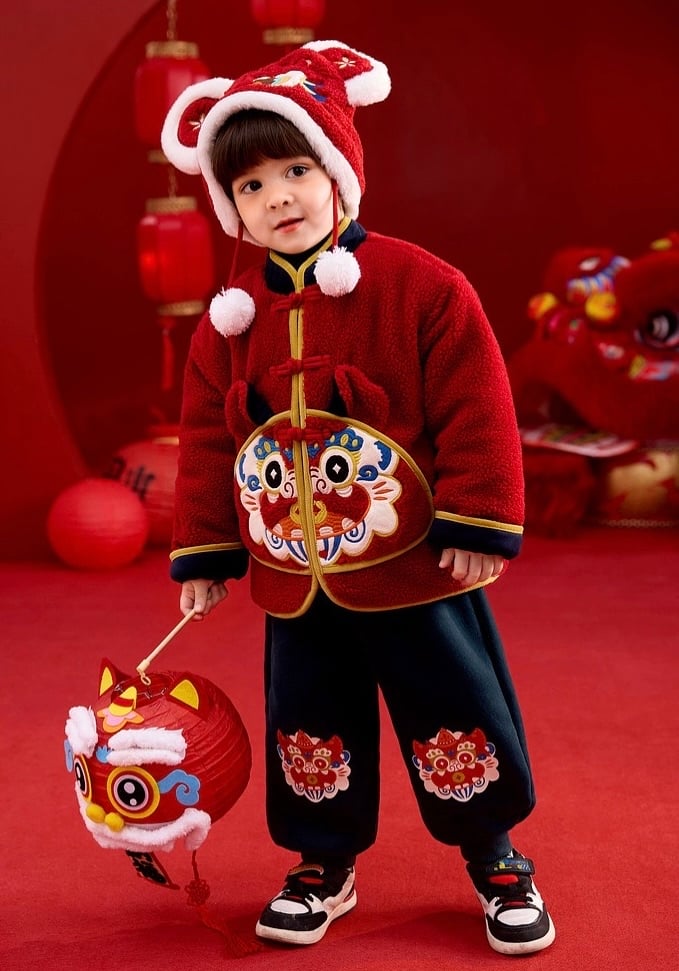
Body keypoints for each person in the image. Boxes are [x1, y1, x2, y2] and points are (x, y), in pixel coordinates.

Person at [161, 40, 555, 956]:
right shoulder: (230, 321)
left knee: (453, 706)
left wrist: (477, 516)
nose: (278, 198)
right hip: (293, 577)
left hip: (412, 563)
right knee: (309, 719)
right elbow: (208, 442)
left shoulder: (421, 286)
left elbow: (475, 404)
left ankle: (495, 856)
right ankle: (321, 861)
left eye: (296, 170)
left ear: (338, 167)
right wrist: (207, 553)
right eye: (251, 185)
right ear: (229, 205)